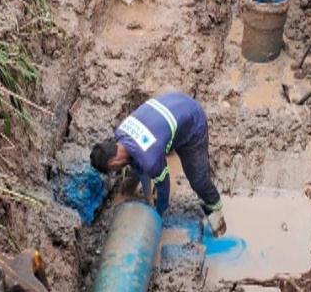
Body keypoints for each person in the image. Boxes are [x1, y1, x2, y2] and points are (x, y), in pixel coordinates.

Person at [91, 92, 227, 235]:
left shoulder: (150, 160)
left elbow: (164, 187)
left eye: (112, 169)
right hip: (173, 101)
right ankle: (134, 176)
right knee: (141, 157)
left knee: (198, 180)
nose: (115, 171)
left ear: (113, 161)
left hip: (192, 121)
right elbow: (138, 152)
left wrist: (158, 212)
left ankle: (216, 216)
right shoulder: (121, 131)